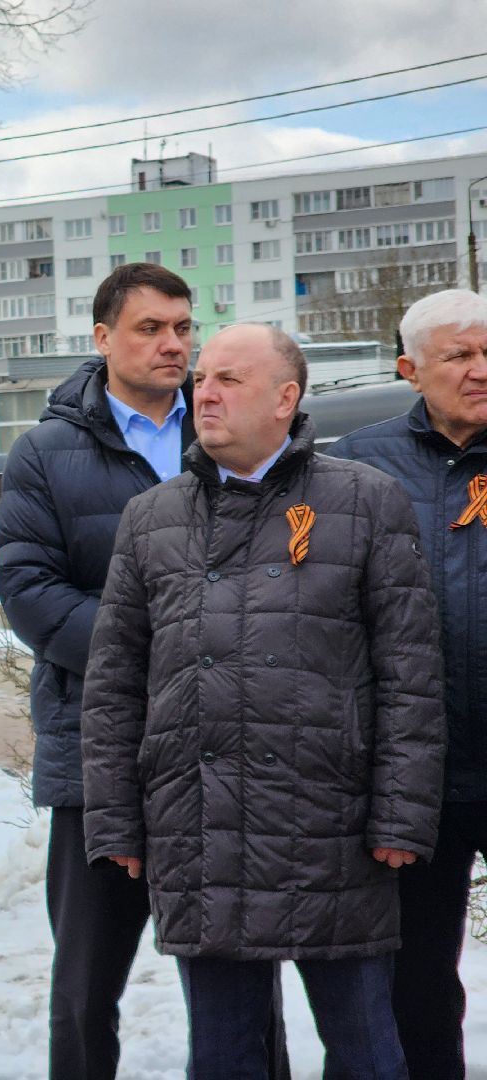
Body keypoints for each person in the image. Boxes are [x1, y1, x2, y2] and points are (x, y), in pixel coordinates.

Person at [81, 324, 445, 1079]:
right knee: (222, 1056)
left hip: (334, 833)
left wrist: (401, 815)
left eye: (228, 380)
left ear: (287, 399)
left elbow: (410, 674)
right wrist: (116, 817)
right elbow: (115, 683)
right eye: (201, 379)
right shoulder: (152, 518)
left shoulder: (365, 502)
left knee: (367, 1051)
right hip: (199, 830)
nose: (203, 394)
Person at [0, 263, 289, 1079]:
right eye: (150, 328)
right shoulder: (46, 453)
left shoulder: (233, 431)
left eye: (183, 328)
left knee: (242, 976)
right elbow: (29, 591)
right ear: (102, 339)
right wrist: (163, 651)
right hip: (100, 755)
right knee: (87, 987)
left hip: (234, 749)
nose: (173, 345)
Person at [329, 288, 487, 1079]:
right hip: (413, 776)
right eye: (459, 355)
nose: (481, 370)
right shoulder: (357, 465)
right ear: (410, 371)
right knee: (419, 980)